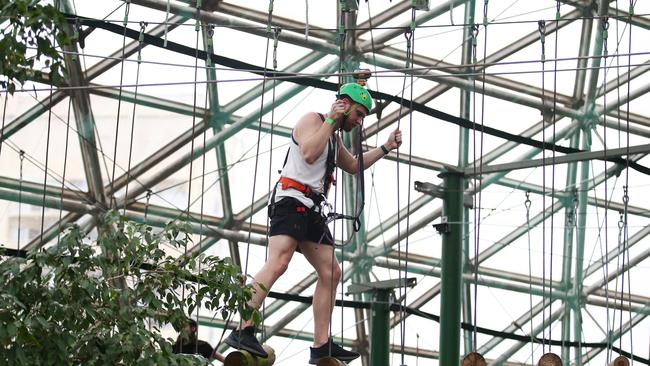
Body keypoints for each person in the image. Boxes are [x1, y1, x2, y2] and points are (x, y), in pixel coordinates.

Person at [224, 82, 402, 364]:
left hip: (312, 209)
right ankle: (243, 328)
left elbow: (354, 166)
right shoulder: (314, 121)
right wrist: (331, 119)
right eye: (358, 113)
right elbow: (308, 152)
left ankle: (321, 345)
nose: (359, 120)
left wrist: (385, 147)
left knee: (331, 272)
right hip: (291, 200)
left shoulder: (334, 137)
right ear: (343, 105)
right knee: (279, 262)